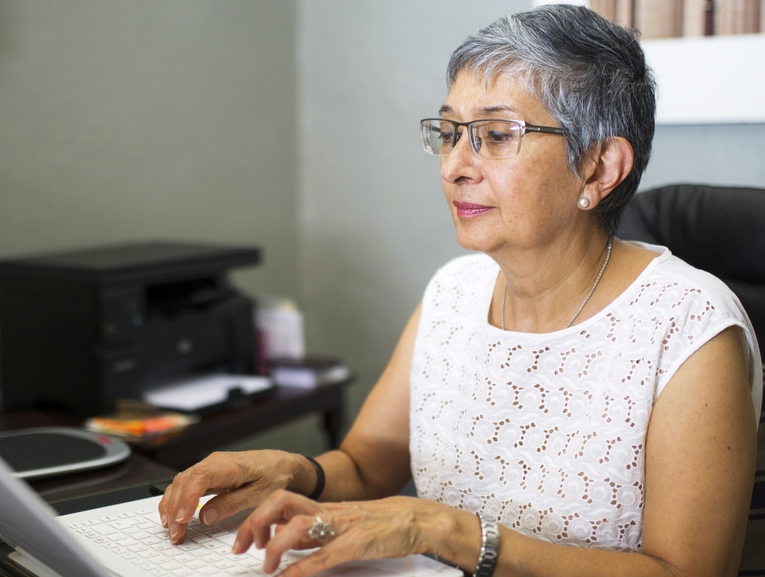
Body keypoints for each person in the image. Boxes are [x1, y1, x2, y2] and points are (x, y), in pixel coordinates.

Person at [160, 5, 763, 577]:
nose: (454, 165)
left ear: (600, 168)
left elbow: (689, 570)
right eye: (450, 132)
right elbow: (367, 466)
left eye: (497, 135)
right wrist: (293, 470)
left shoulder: (690, 325)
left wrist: (448, 530)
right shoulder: (453, 292)